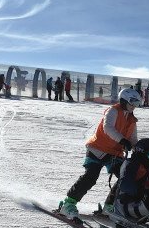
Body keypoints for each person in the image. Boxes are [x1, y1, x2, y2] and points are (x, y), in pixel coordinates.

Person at [59, 88, 141, 218]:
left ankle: (109, 206)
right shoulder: (113, 111)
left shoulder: (132, 119)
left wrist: (139, 148)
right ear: (124, 100)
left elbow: (133, 139)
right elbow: (108, 128)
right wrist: (122, 140)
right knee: (91, 176)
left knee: (124, 177)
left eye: (137, 103)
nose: (134, 106)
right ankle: (68, 204)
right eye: (132, 102)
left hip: (114, 153)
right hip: (98, 149)